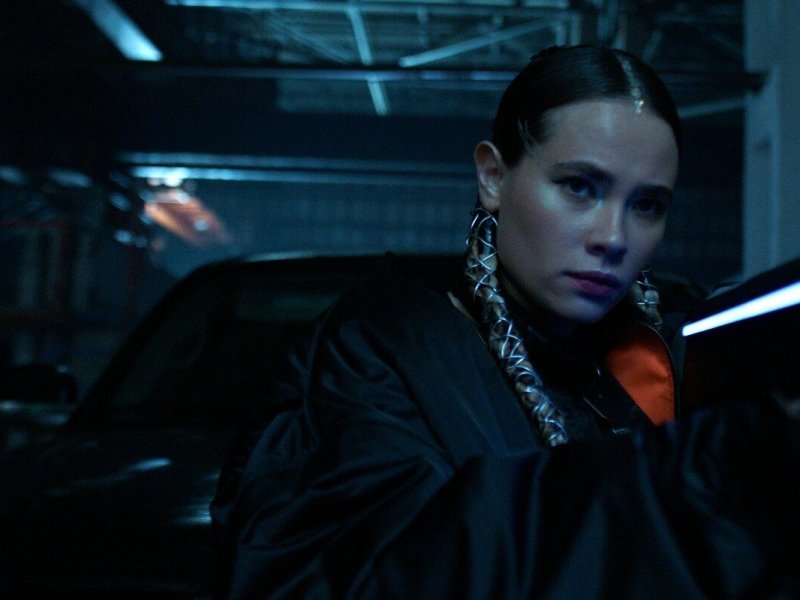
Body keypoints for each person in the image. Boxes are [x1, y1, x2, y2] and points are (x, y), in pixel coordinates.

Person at [211, 45, 800, 599]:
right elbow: (389, 573)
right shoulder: (383, 350)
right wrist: (705, 474)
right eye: (579, 187)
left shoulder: (679, 344)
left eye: (647, 205)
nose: (613, 237)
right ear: (493, 176)